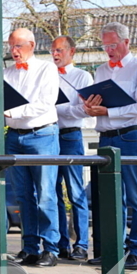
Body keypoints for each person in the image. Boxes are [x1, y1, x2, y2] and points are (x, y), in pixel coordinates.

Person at [83, 21, 137, 270]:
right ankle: (115, 249)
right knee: (111, 197)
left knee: (136, 194)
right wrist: (90, 108)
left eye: (112, 44)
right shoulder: (101, 70)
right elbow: (98, 104)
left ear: (126, 42)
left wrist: (108, 111)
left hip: (131, 136)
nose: (108, 50)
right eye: (105, 45)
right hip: (106, 137)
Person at [3, 28, 60, 268]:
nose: (14, 51)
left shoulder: (47, 68)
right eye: (11, 46)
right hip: (15, 136)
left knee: (45, 194)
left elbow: (46, 103)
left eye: (19, 46)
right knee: (23, 196)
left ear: (32, 45)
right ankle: (29, 248)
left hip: (42, 135)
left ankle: (51, 248)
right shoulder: (6, 73)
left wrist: (11, 112)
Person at [50, 35, 94, 261]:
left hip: (71, 136)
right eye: (52, 50)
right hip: (49, 137)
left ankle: (82, 245)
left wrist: (56, 109)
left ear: (72, 51)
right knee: (53, 192)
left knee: (76, 193)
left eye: (59, 50)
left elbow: (84, 111)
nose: (55, 54)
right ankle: (61, 244)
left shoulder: (83, 76)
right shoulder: (46, 75)